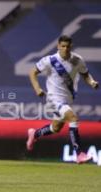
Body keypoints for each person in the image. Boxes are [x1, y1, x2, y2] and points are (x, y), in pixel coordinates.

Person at [26, 35, 99, 164]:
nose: (65, 49)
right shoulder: (50, 60)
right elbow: (32, 72)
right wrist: (37, 88)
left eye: (67, 46)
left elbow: (85, 74)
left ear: (71, 46)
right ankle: (79, 153)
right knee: (73, 118)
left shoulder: (77, 60)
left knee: (56, 128)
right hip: (54, 98)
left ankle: (35, 134)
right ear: (58, 46)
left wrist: (92, 82)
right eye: (62, 46)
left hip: (68, 99)